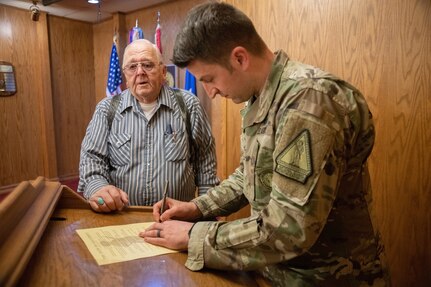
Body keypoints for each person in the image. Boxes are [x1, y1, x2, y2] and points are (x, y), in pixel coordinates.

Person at [139, 2, 389, 286]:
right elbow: (249, 176)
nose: (211, 91)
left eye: (209, 79)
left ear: (239, 58)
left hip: (329, 278)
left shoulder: (308, 103)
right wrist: (197, 208)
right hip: (276, 274)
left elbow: (289, 228)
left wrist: (193, 236)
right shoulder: (261, 99)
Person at [78, 39, 219, 213]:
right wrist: (98, 188)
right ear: (125, 75)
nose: (140, 72)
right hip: (121, 218)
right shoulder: (106, 110)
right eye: (132, 67)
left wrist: (206, 212)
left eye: (147, 65)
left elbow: (206, 164)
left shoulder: (189, 106)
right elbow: (92, 160)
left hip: (176, 220)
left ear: (163, 72)